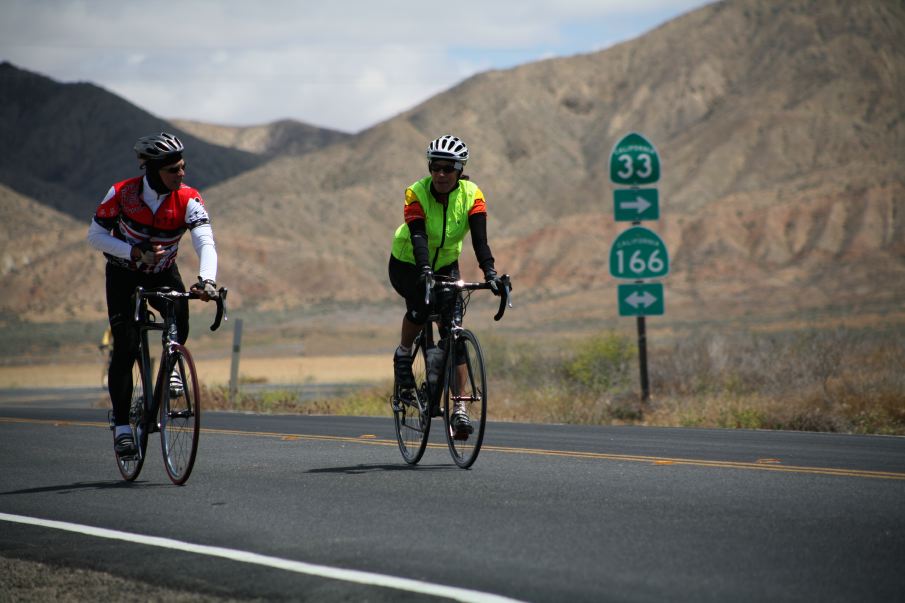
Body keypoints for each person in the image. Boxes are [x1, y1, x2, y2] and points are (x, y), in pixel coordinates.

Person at [87, 132, 219, 456]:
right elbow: (95, 235)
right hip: (123, 275)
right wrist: (132, 252)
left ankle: (171, 366)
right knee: (126, 345)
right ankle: (121, 426)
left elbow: (205, 241)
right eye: (174, 169)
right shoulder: (122, 193)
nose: (181, 174)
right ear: (153, 170)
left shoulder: (189, 198)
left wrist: (206, 279)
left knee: (180, 316)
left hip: (162, 273)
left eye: (183, 167)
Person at [388, 134, 504, 436]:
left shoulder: (472, 195)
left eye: (448, 168)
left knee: (453, 331)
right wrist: (424, 269)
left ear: (460, 169)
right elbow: (418, 236)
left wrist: (490, 272)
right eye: (435, 168)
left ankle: (460, 408)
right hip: (408, 262)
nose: (440, 174)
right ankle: (403, 355)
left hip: (446, 264)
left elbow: (480, 240)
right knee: (421, 305)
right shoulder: (416, 193)